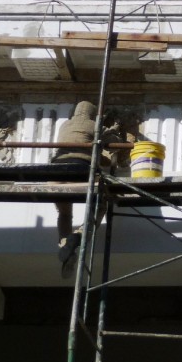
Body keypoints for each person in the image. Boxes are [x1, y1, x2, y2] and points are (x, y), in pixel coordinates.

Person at [50, 101, 110, 273]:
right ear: (92, 114)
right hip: (81, 174)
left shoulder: (64, 125)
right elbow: (109, 145)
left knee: (64, 213)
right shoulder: (94, 125)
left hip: (55, 175)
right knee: (101, 204)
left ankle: (64, 243)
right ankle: (80, 234)